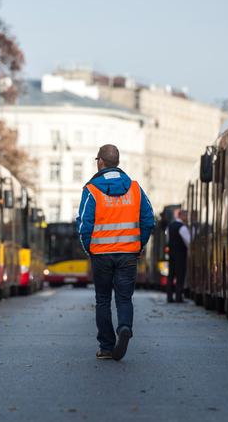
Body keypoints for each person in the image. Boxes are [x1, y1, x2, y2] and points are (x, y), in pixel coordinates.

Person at [77, 144, 154, 361]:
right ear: (117, 163)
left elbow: (84, 224)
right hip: (128, 254)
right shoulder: (135, 189)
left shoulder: (91, 190)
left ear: (100, 161)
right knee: (124, 297)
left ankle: (107, 347)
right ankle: (124, 327)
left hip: (101, 255)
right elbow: (149, 220)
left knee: (102, 299)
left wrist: (89, 249)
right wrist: (138, 245)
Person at [166, 208, 190, 303]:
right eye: (185, 215)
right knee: (180, 275)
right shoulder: (182, 227)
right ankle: (178, 297)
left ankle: (169, 297)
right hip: (181, 254)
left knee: (171, 275)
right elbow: (188, 242)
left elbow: (168, 240)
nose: (187, 217)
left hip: (171, 254)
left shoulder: (170, 226)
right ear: (181, 215)